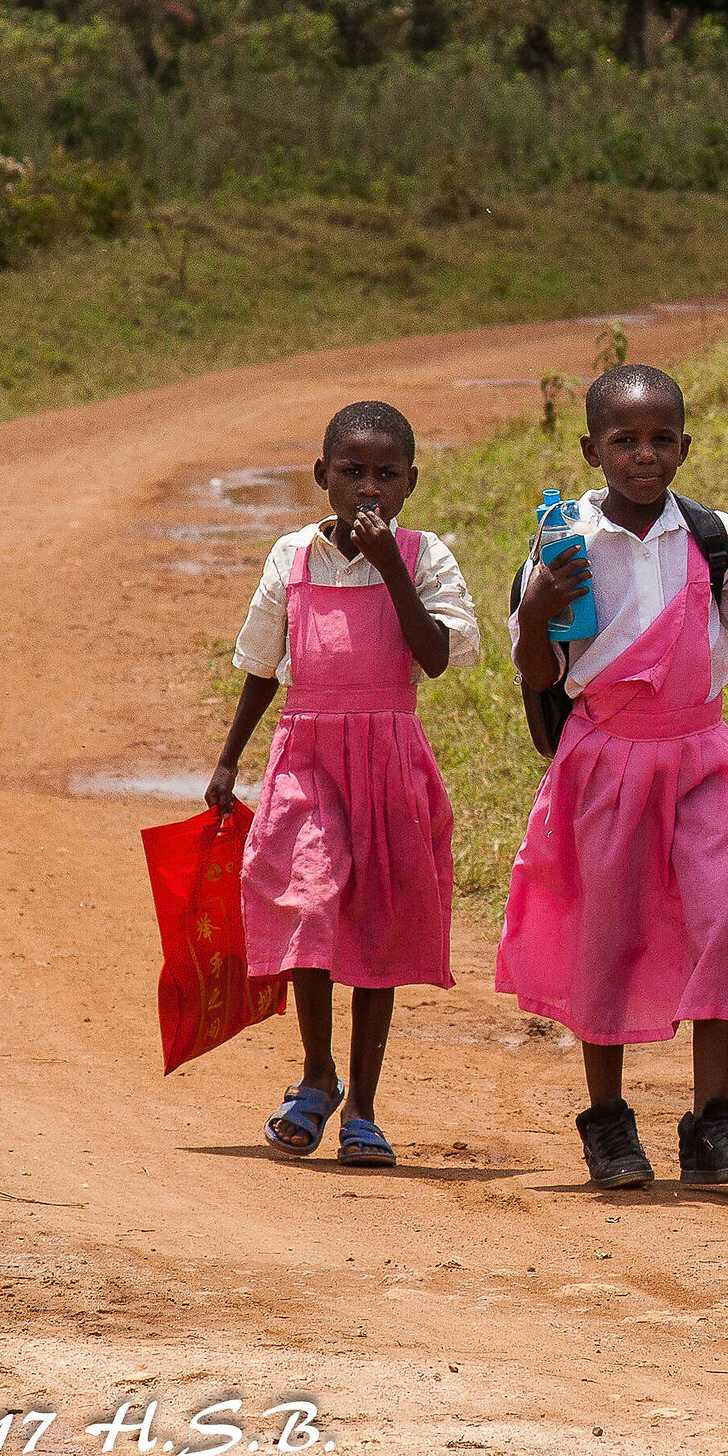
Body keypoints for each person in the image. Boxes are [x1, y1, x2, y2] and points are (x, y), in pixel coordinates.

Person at [500, 364, 728, 1191]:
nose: (645, 457)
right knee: (608, 933)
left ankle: (714, 1122)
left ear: (686, 444)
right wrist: (537, 608)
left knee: (722, 918)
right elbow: (538, 670)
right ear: (590, 448)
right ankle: (609, 1126)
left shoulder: (711, 536)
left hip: (701, 759)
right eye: (624, 441)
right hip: (607, 762)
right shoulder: (562, 542)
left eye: (661, 441)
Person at [207, 400, 480, 1169]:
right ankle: (316, 1074)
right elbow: (264, 662)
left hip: (390, 760)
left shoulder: (425, 558)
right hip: (309, 757)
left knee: (378, 927)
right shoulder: (291, 556)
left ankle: (362, 1104)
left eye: (386, 475)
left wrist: (391, 566)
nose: (369, 488)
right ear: (322, 477)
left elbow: (434, 654)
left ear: (410, 483)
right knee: (310, 901)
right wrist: (229, 760)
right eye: (352, 472)